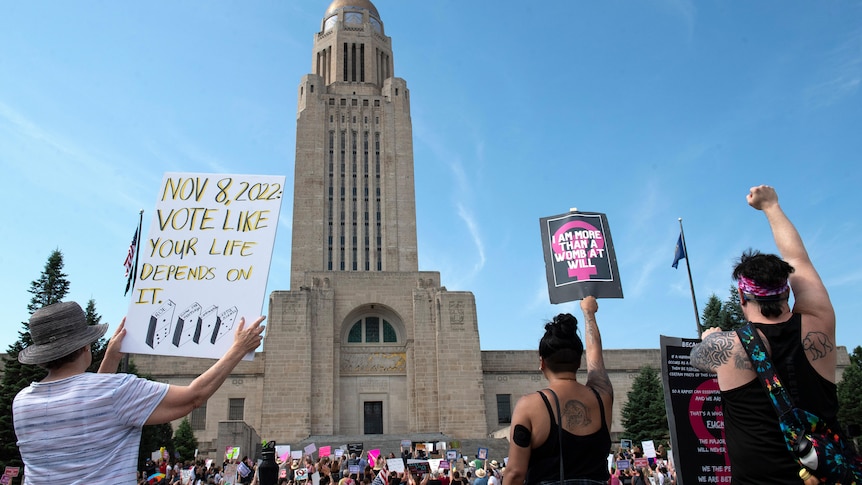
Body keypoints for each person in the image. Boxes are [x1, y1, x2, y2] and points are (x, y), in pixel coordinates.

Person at [12, 301, 266, 485]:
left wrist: (110, 358)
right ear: (85, 346)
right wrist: (238, 349)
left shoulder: (22, 402)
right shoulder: (115, 391)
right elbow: (193, 397)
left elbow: (87, 409)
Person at [690, 185, 839, 484]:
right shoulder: (819, 323)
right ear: (787, 291)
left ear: (742, 299)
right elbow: (799, 261)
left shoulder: (727, 346)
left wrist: (711, 338)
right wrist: (771, 206)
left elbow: (697, 359)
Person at [503, 296, 612, 485]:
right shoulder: (602, 396)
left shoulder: (529, 405)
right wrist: (589, 314)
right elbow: (596, 357)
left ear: (542, 363)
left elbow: (514, 473)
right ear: (579, 361)